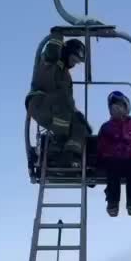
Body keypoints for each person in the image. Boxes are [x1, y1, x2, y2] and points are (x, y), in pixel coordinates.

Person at [25, 31, 92, 168]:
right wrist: (58, 35)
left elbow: (68, 98)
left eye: (76, 62)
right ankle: (56, 149)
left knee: (81, 125)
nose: (73, 64)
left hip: (56, 106)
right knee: (64, 112)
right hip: (41, 102)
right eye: (73, 59)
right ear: (66, 52)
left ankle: (72, 155)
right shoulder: (51, 61)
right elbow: (52, 51)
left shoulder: (66, 76)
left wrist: (77, 114)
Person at [97, 91, 131, 217]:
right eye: (113, 106)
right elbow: (100, 145)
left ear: (126, 107)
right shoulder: (107, 127)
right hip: (114, 159)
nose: (116, 108)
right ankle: (113, 202)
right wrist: (102, 158)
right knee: (112, 172)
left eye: (119, 105)